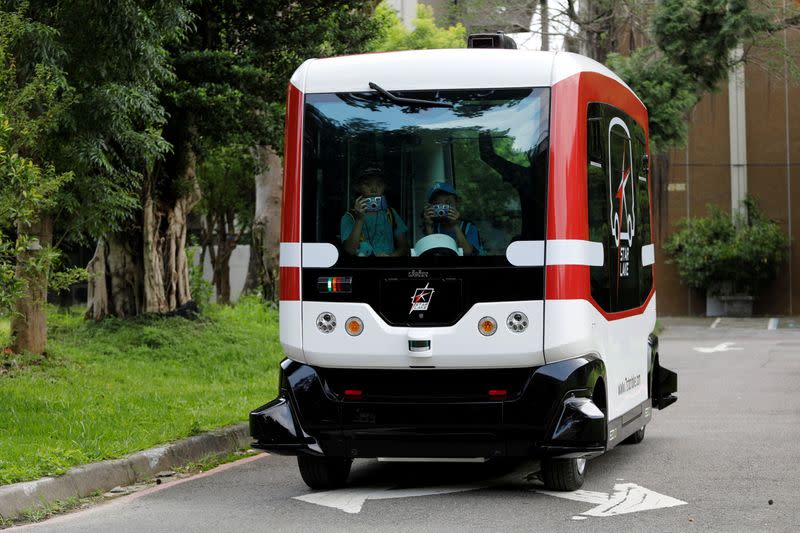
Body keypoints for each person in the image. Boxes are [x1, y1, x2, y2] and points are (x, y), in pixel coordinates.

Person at [341, 168, 409, 257]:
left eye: (379, 184)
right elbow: (350, 250)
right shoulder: (350, 216)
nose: (374, 189)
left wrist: (390, 257)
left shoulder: (390, 213)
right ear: (357, 187)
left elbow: (404, 247)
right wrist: (359, 219)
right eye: (367, 184)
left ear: (385, 187)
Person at [422, 182, 484, 256]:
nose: (443, 208)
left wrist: (455, 225)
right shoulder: (434, 228)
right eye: (437, 204)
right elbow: (430, 254)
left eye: (448, 203)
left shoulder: (468, 227)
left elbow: (467, 253)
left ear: (457, 202)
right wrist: (428, 226)